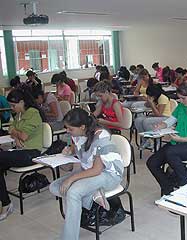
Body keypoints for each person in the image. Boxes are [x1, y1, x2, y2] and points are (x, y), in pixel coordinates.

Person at [49, 108, 125, 240]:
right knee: (55, 187)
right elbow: (78, 149)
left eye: (70, 129)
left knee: (73, 192)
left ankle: (69, 237)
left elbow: (97, 170)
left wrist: (71, 179)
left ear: (82, 127)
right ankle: (94, 192)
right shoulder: (77, 134)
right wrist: (69, 151)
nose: (67, 131)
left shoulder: (101, 137)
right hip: (89, 172)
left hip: (109, 174)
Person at [146, 82, 187, 195]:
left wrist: (182, 139)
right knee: (152, 162)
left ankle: (184, 179)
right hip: (178, 143)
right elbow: (170, 121)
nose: (180, 101)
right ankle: (168, 187)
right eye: (179, 98)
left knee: (170, 152)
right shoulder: (181, 107)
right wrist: (160, 126)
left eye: (183, 98)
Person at [0, 88, 44, 221]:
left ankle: (6, 203)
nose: (12, 109)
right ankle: (5, 203)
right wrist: (16, 135)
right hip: (20, 151)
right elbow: (10, 128)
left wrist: (17, 135)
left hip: (32, 153)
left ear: (22, 102)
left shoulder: (33, 113)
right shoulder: (18, 114)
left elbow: (24, 136)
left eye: (14, 105)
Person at [135, 84, 171, 149]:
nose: (148, 96)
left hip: (165, 117)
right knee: (138, 120)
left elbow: (159, 114)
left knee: (146, 122)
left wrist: (152, 104)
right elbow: (146, 105)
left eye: (149, 94)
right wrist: (148, 101)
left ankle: (157, 142)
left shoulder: (162, 98)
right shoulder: (154, 97)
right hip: (156, 116)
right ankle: (146, 141)